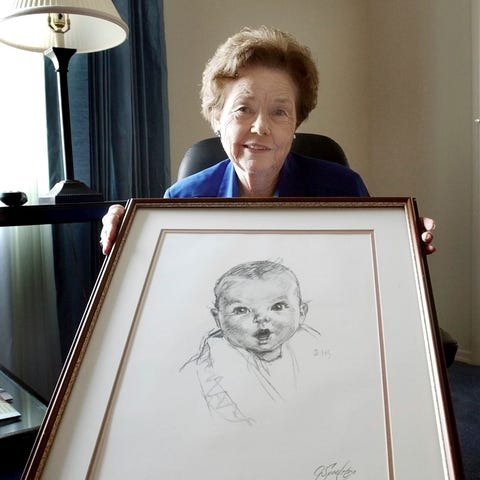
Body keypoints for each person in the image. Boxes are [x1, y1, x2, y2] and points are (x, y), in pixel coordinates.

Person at [100, 26, 435, 255]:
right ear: (217, 118)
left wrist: (403, 244)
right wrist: (132, 241)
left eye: (279, 112)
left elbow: (369, 273)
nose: (261, 127)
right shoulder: (183, 199)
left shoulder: (342, 188)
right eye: (244, 108)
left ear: (295, 124)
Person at [180, 260, 324, 425]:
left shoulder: (316, 350)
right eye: (242, 310)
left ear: (302, 312)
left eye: (278, 306)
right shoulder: (203, 373)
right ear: (217, 318)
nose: (261, 318)